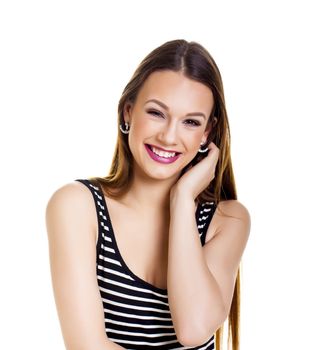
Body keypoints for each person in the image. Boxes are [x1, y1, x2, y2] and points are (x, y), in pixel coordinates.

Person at [45, 39, 251, 350]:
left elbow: (193, 328)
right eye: (156, 113)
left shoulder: (227, 220)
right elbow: (87, 347)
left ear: (207, 133)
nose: (169, 136)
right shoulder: (77, 207)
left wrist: (182, 199)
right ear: (128, 112)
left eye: (191, 122)